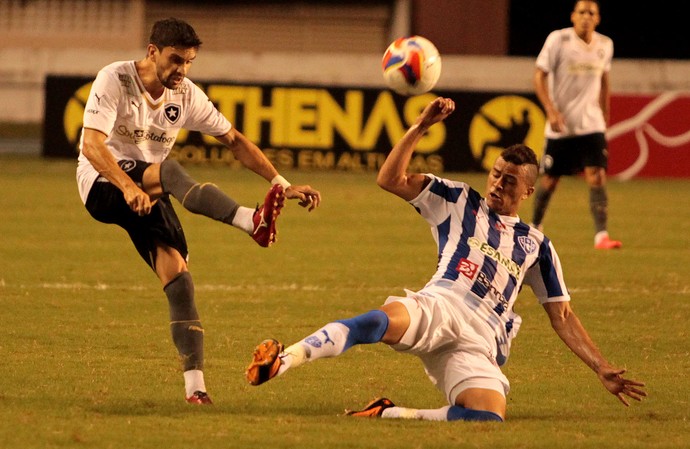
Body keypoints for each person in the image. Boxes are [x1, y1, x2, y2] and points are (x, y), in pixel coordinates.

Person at [245, 97, 645, 422]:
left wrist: (600, 366)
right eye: (495, 174)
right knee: (377, 321)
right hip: (441, 303)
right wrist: (420, 127)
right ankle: (285, 359)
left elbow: (563, 317)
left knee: (488, 417)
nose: (497, 184)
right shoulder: (458, 199)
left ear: (527, 191)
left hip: (481, 339)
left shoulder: (537, 244)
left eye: (509, 180)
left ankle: (388, 414)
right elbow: (390, 180)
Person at [76, 17, 321, 405]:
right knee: (170, 171)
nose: (182, 70)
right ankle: (250, 221)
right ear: (152, 51)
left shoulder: (185, 94)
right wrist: (127, 187)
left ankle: (196, 390)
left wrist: (282, 185)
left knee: (180, 281)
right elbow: (91, 145)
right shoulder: (116, 79)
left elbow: (234, 140)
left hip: (149, 190)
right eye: (176, 60)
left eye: (189, 62)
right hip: (102, 183)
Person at [531, 0, 621, 249]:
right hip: (562, 125)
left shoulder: (605, 44)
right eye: (581, 12)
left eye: (591, 13)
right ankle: (535, 228)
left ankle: (601, 236)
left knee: (597, 175)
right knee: (550, 180)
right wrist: (550, 110)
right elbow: (539, 75)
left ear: (598, 18)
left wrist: (605, 112)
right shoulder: (558, 40)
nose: (586, 17)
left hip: (591, 124)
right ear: (573, 16)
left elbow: (604, 79)